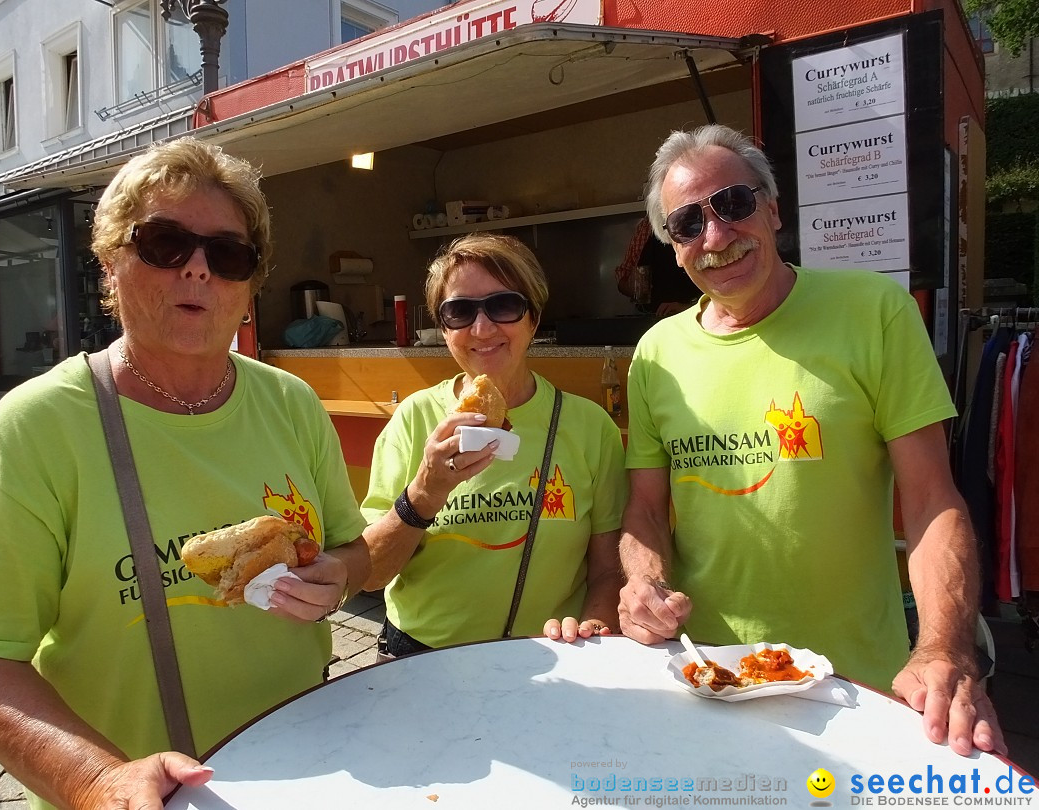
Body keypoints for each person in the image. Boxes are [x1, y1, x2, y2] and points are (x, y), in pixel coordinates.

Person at [0, 137, 371, 809]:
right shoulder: (37, 426)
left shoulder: (291, 403)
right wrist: (97, 780)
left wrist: (340, 576)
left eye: (229, 254)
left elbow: (353, 552)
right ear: (109, 263)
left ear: (249, 282)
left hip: (317, 767)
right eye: (165, 243)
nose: (199, 270)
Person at [618, 124, 1005, 756]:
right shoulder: (656, 354)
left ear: (772, 209)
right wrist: (644, 580)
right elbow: (645, 510)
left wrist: (943, 648)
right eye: (688, 224)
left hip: (854, 689)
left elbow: (934, 500)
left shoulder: (874, 310)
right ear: (674, 248)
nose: (715, 236)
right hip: (709, 680)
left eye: (733, 204)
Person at [360, 234, 627, 654]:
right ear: (443, 328)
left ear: (534, 318)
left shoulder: (589, 427)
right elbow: (370, 574)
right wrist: (423, 495)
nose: (482, 329)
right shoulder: (414, 420)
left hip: (557, 655)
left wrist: (595, 625)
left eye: (504, 305)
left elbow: (610, 568)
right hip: (424, 659)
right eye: (459, 311)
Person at [614, 216, 701, 317]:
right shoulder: (645, 226)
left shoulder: (692, 222)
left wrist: (686, 307)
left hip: (688, 315)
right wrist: (636, 289)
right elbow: (624, 273)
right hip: (649, 314)